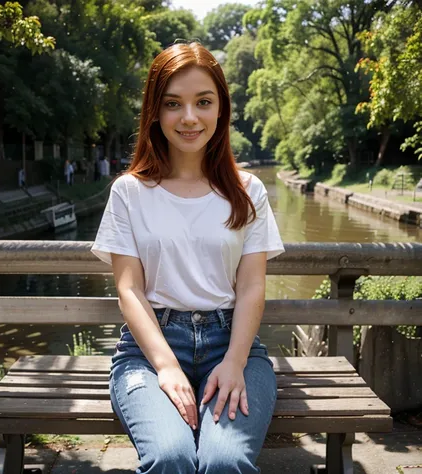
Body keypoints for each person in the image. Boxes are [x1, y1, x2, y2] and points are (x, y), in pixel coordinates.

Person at [91, 42, 284, 474]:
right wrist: (165, 366)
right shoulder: (129, 192)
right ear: (154, 113)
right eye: (173, 104)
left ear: (221, 109)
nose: (190, 117)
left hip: (231, 344)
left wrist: (234, 362)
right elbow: (129, 288)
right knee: (170, 458)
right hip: (149, 349)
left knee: (224, 460)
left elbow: (252, 284)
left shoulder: (247, 190)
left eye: (204, 102)